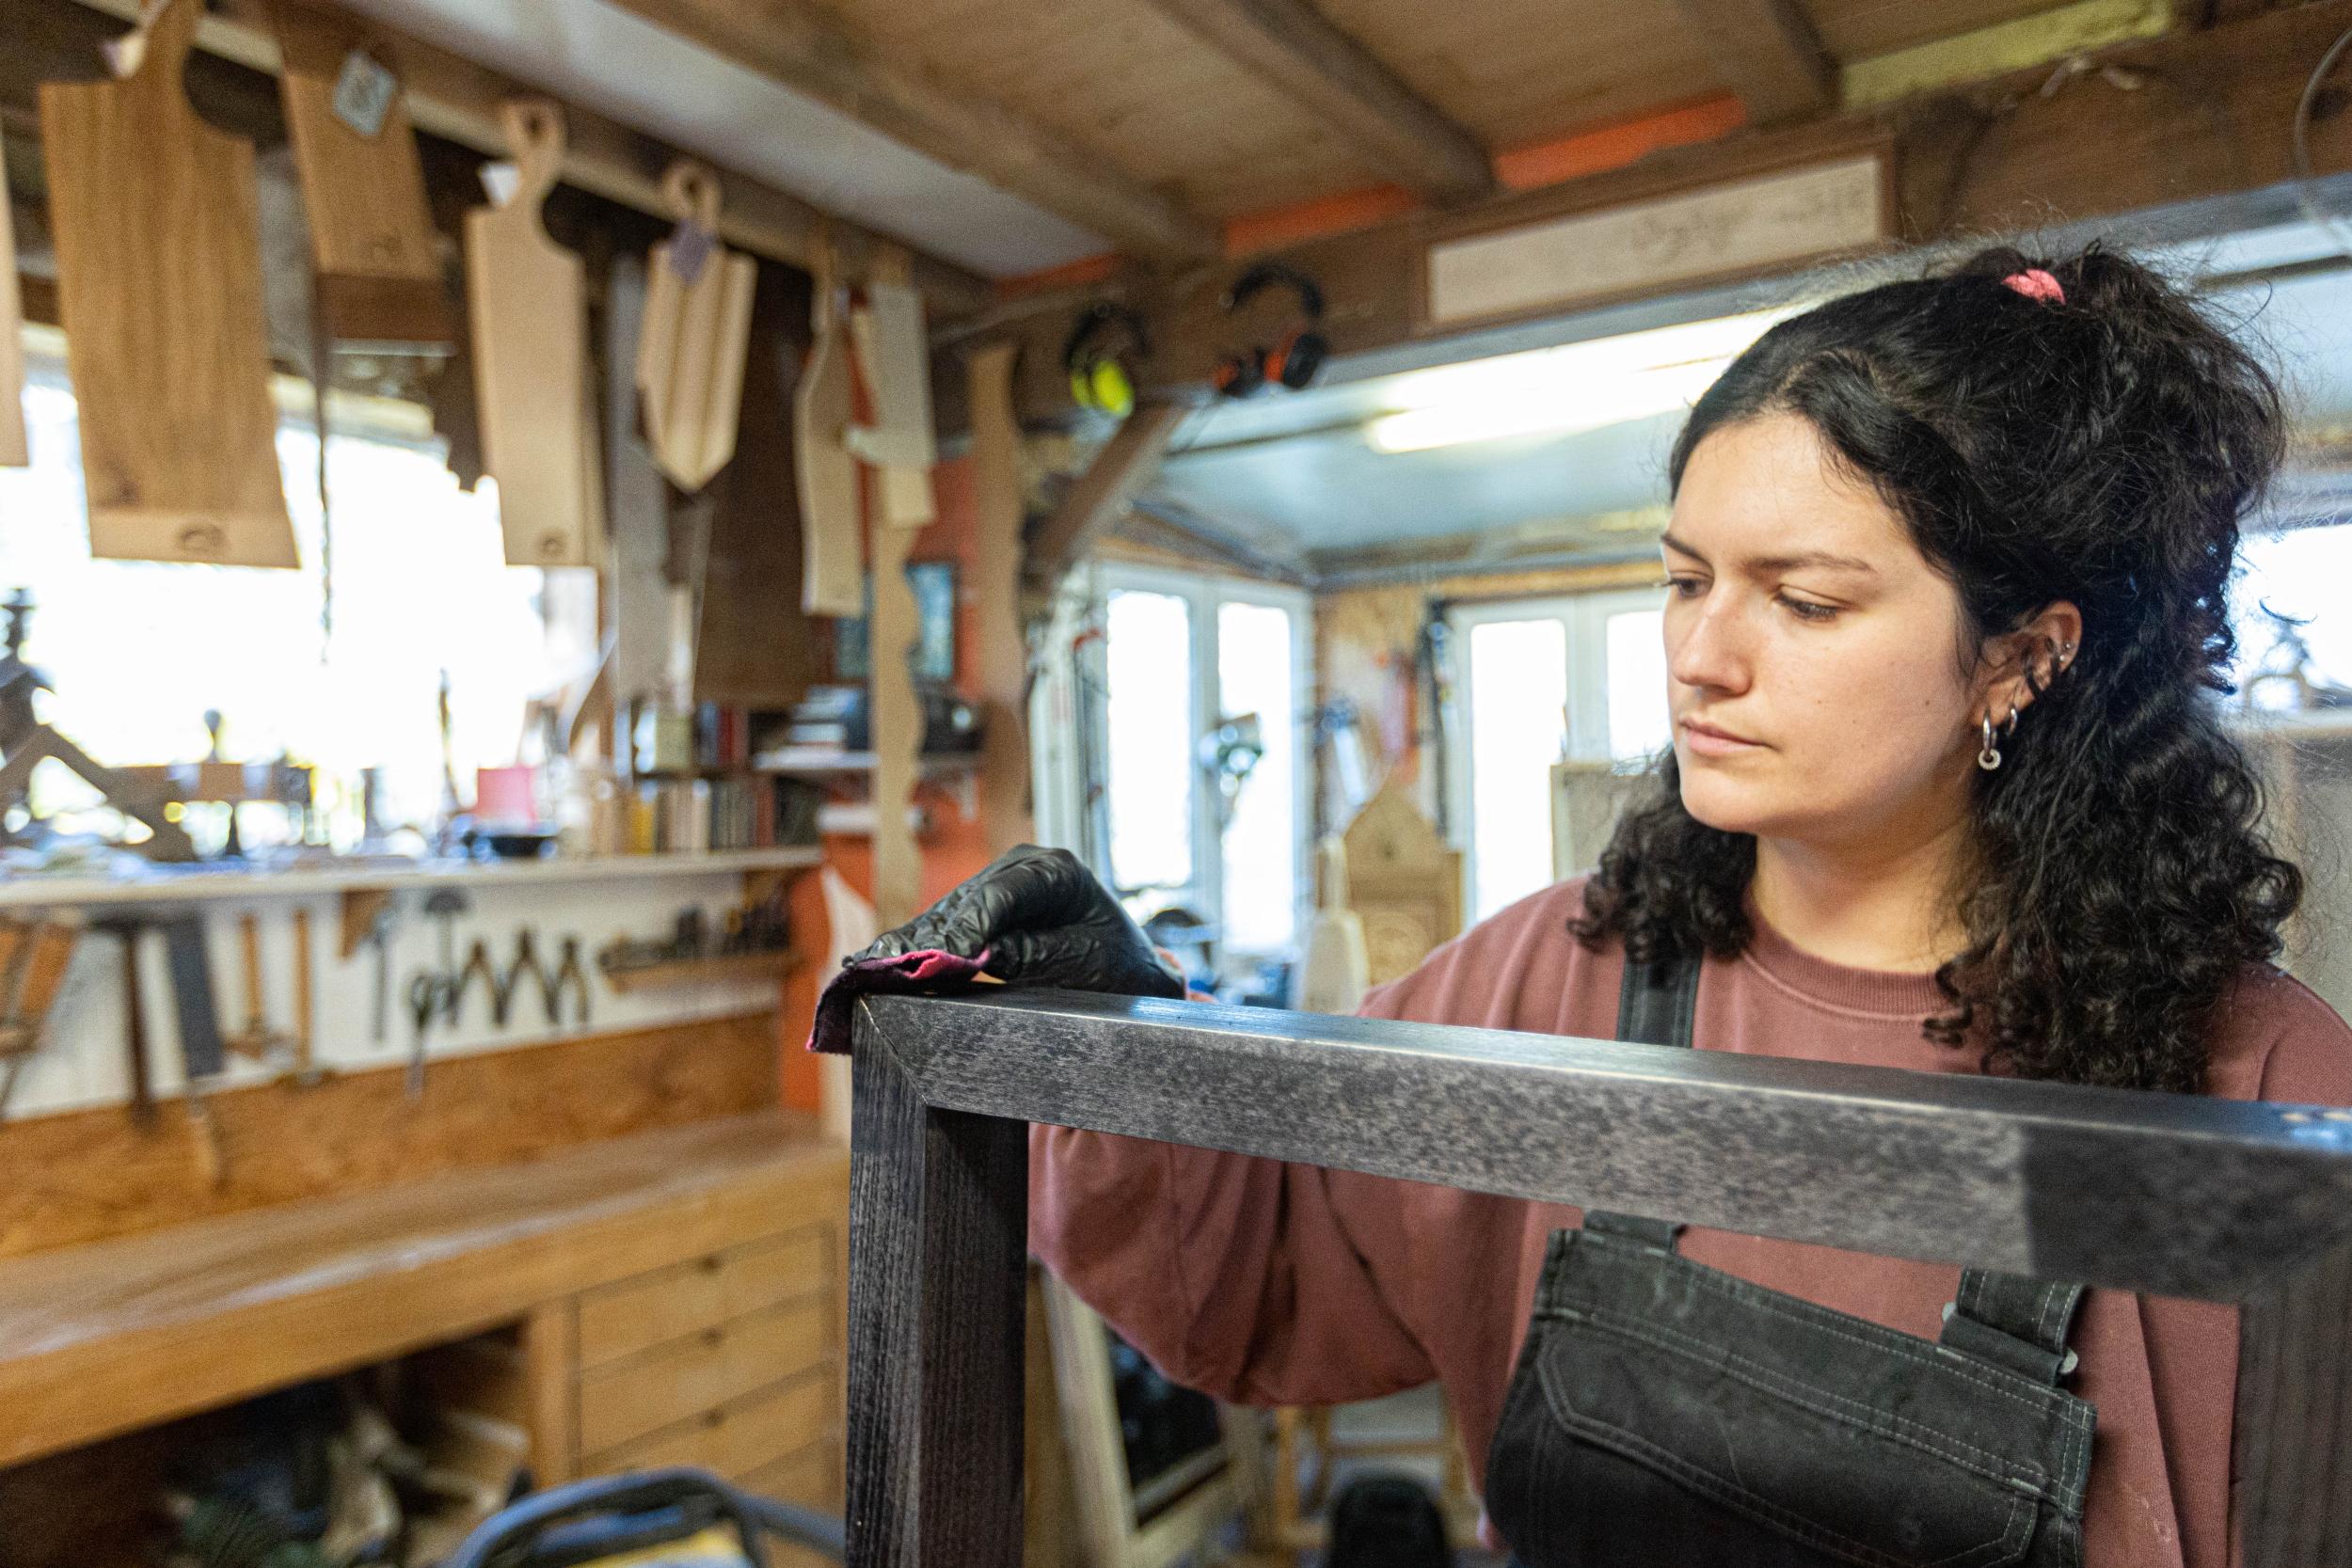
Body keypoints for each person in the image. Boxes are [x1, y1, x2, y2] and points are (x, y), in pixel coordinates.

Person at [851, 244, 2352, 1568]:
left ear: (2025, 654)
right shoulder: (1551, 977)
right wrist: (1118, 1042)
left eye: (1804, 600)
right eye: (1685, 578)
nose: (1703, 655)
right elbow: (1258, 1259)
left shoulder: (2260, 1093)